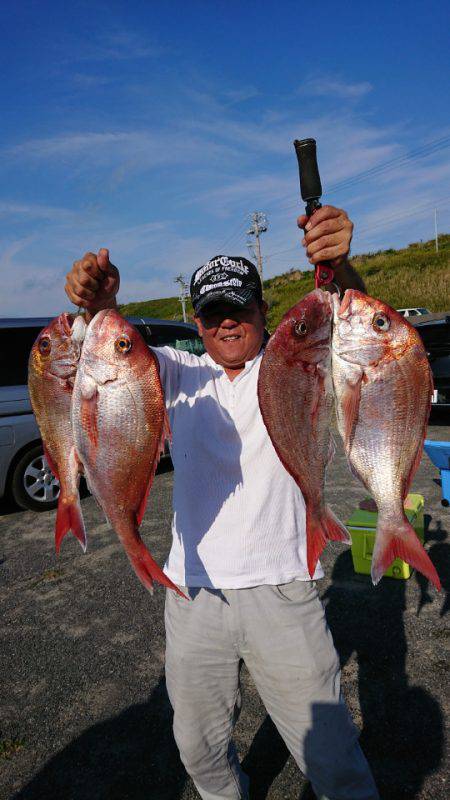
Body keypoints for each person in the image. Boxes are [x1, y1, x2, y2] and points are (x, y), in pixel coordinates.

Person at [65, 205, 378, 800]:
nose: (226, 324)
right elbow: (116, 358)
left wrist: (342, 269)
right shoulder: (177, 374)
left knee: (332, 756)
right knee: (198, 747)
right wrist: (97, 307)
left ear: (262, 311)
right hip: (193, 595)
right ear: (198, 321)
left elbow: (360, 326)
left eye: (239, 309)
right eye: (212, 313)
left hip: (283, 586)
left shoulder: (297, 359)